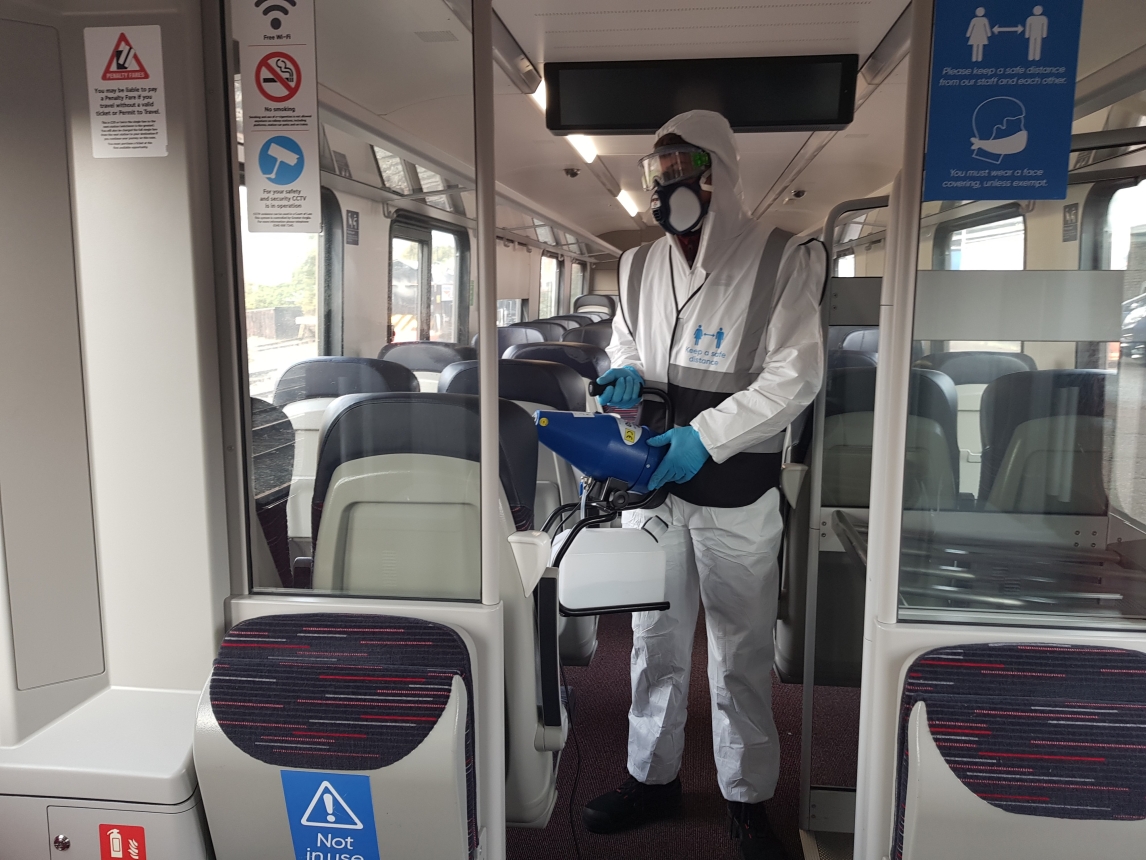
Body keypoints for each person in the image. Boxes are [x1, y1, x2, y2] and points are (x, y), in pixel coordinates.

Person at [583, 111, 825, 860]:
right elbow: (627, 348)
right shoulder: (636, 265)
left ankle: (746, 798)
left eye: (685, 169)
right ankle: (650, 778)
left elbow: (796, 376)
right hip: (654, 493)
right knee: (651, 645)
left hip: (736, 495)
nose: (670, 188)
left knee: (739, 652)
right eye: (657, 174)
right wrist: (621, 387)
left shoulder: (781, 257)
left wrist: (707, 437)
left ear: (721, 173)